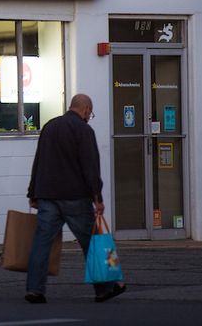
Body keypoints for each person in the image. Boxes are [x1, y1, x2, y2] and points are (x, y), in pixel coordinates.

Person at [24, 93, 126, 304]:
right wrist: (97, 197)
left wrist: (33, 193)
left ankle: (34, 290)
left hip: (48, 196)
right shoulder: (84, 130)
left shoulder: (49, 127)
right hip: (75, 197)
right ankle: (105, 288)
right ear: (86, 109)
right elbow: (90, 167)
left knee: (41, 244)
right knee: (92, 243)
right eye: (90, 113)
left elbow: (39, 161)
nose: (89, 117)